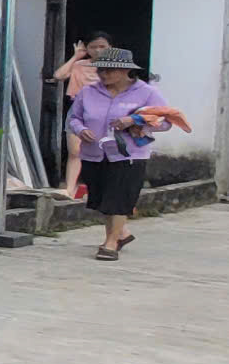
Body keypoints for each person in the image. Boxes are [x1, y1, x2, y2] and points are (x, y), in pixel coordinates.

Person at [68, 45, 191, 261]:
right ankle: (121, 234)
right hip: (94, 153)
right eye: (101, 70)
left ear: (126, 71)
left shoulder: (146, 93)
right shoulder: (88, 92)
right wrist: (81, 129)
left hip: (129, 155)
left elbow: (164, 122)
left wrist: (134, 121)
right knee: (101, 199)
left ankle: (111, 242)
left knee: (119, 198)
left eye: (110, 70)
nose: (104, 74)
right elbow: (73, 118)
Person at [48, 31, 112, 197]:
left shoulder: (114, 68)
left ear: (110, 48)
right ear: (87, 49)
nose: (98, 50)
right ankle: (70, 189)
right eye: (93, 47)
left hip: (104, 113)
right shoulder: (80, 65)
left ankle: (100, 188)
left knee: (102, 151)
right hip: (79, 110)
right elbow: (58, 75)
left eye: (102, 47)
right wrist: (76, 57)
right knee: (75, 152)